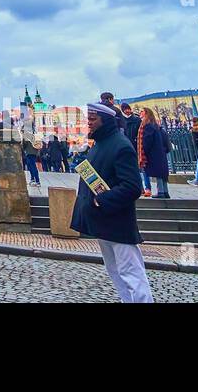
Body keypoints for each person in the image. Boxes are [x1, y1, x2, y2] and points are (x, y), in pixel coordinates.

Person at [69, 102, 152, 303]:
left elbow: (132, 187)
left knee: (130, 272)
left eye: (92, 119)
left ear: (104, 121)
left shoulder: (121, 146)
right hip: (103, 219)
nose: (88, 123)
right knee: (115, 271)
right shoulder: (101, 143)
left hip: (116, 220)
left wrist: (101, 200)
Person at [136, 108, 170, 198]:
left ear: (146, 113)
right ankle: (165, 191)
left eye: (142, 112)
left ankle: (161, 192)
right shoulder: (156, 125)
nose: (140, 113)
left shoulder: (147, 125)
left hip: (153, 153)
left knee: (158, 173)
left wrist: (144, 151)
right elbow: (165, 138)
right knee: (162, 173)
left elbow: (147, 141)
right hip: (160, 152)